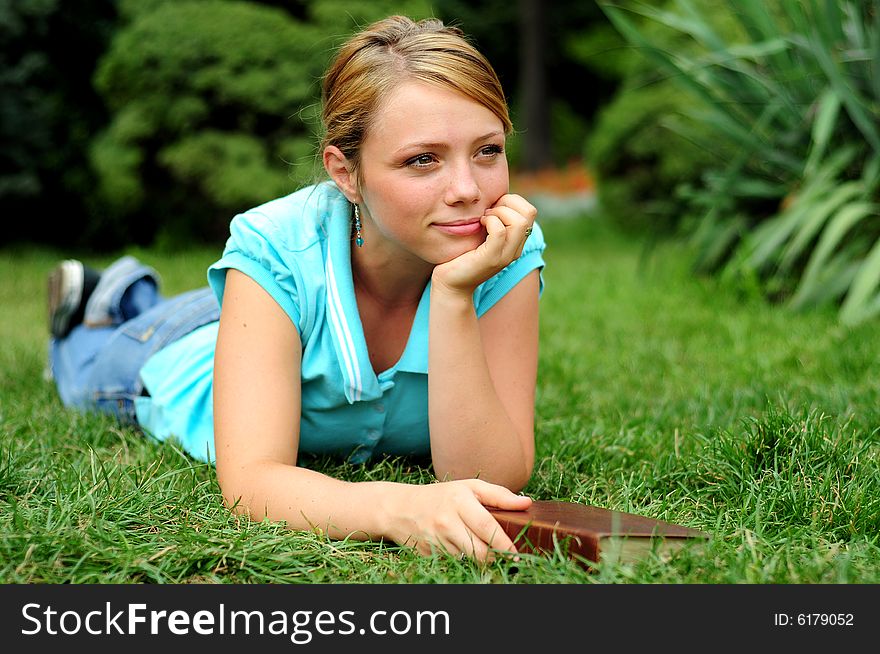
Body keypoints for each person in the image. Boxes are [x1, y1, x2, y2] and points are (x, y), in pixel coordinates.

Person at [46, 15, 546, 563]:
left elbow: (490, 476)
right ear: (346, 172)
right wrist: (397, 508)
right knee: (89, 362)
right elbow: (252, 484)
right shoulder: (274, 243)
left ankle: (132, 296)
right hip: (169, 352)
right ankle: (107, 301)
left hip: (262, 311)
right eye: (422, 159)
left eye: (487, 151)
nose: (467, 190)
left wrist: (453, 297)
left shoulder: (505, 247)